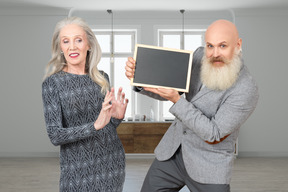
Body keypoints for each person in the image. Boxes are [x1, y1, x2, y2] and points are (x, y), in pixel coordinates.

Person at [125, 19, 259, 192]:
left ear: (238, 44)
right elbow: (171, 89)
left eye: (223, 46)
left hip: (209, 165)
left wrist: (177, 100)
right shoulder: (198, 56)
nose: (215, 53)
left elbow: (214, 134)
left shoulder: (246, 88)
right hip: (172, 153)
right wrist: (139, 79)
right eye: (210, 46)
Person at [42, 17, 128, 192]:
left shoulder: (102, 78)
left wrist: (117, 118)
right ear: (60, 47)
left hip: (111, 162)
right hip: (77, 170)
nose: (72, 46)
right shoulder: (53, 83)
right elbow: (55, 135)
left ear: (88, 45)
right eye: (66, 41)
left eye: (78, 40)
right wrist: (94, 126)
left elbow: (106, 126)